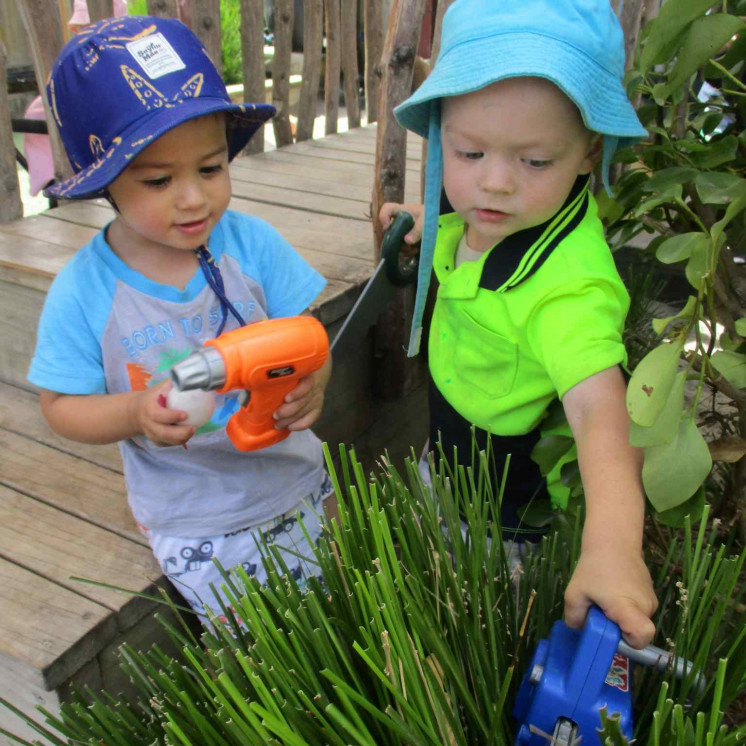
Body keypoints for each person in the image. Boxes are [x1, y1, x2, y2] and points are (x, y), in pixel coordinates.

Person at [28, 16, 335, 624]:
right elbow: (59, 406)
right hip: (196, 517)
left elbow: (308, 338)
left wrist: (314, 383)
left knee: (339, 612)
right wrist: (133, 413)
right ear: (107, 183)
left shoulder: (251, 245)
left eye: (211, 168)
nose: (194, 198)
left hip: (297, 478)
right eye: (159, 180)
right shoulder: (85, 291)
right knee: (260, 652)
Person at [380, 0, 658, 648]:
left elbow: (600, 412)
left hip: (510, 513)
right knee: (432, 561)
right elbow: (471, 230)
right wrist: (429, 227)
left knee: (484, 629)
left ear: (590, 152)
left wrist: (614, 545)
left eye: (534, 162)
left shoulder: (571, 288)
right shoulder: (489, 216)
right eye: (470, 151)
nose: (495, 185)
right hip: (446, 455)